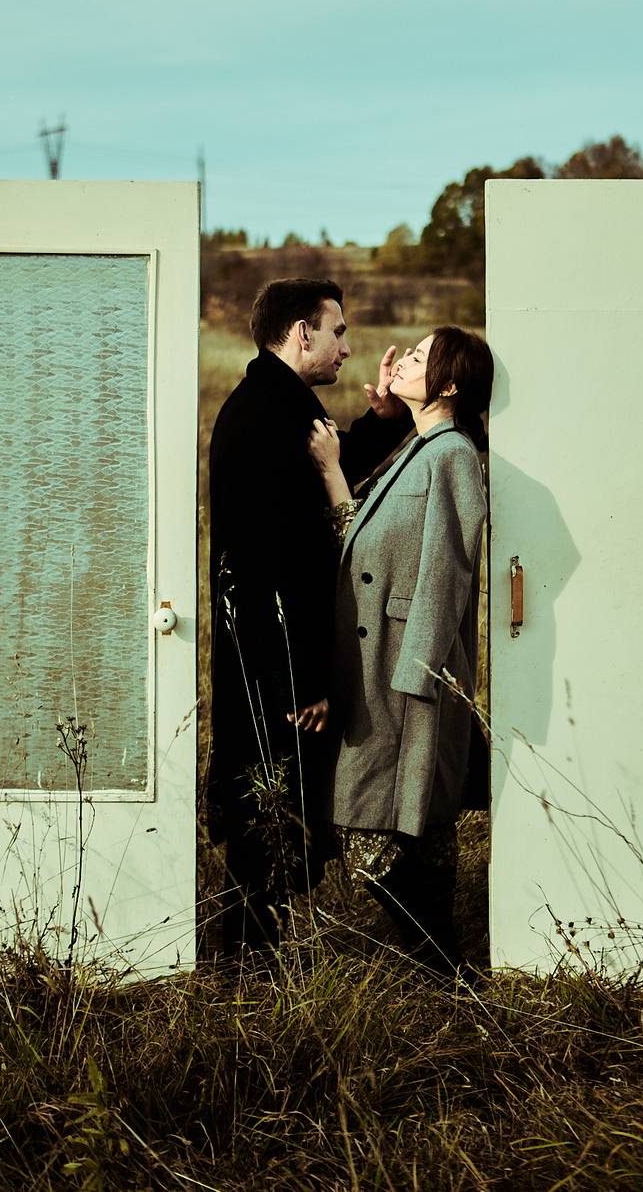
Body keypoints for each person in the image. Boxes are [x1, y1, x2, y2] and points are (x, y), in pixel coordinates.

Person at [208, 278, 412, 956]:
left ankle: (252, 962)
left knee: (277, 817)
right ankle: (249, 969)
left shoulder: (277, 402)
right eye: (338, 332)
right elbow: (274, 564)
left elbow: (335, 461)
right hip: (276, 668)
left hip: (272, 661)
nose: (346, 349)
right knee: (269, 819)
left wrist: (384, 417)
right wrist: (301, 681)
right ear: (303, 333)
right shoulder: (268, 414)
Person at [307, 325, 493, 978]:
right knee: (421, 826)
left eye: (418, 356)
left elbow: (448, 571)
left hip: (405, 672)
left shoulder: (453, 455)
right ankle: (449, 969)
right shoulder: (421, 447)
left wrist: (418, 673)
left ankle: (442, 964)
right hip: (383, 666)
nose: (402, 359)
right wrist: (341, 462)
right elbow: (360, 539)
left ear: (449, 383)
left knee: (371, 829)